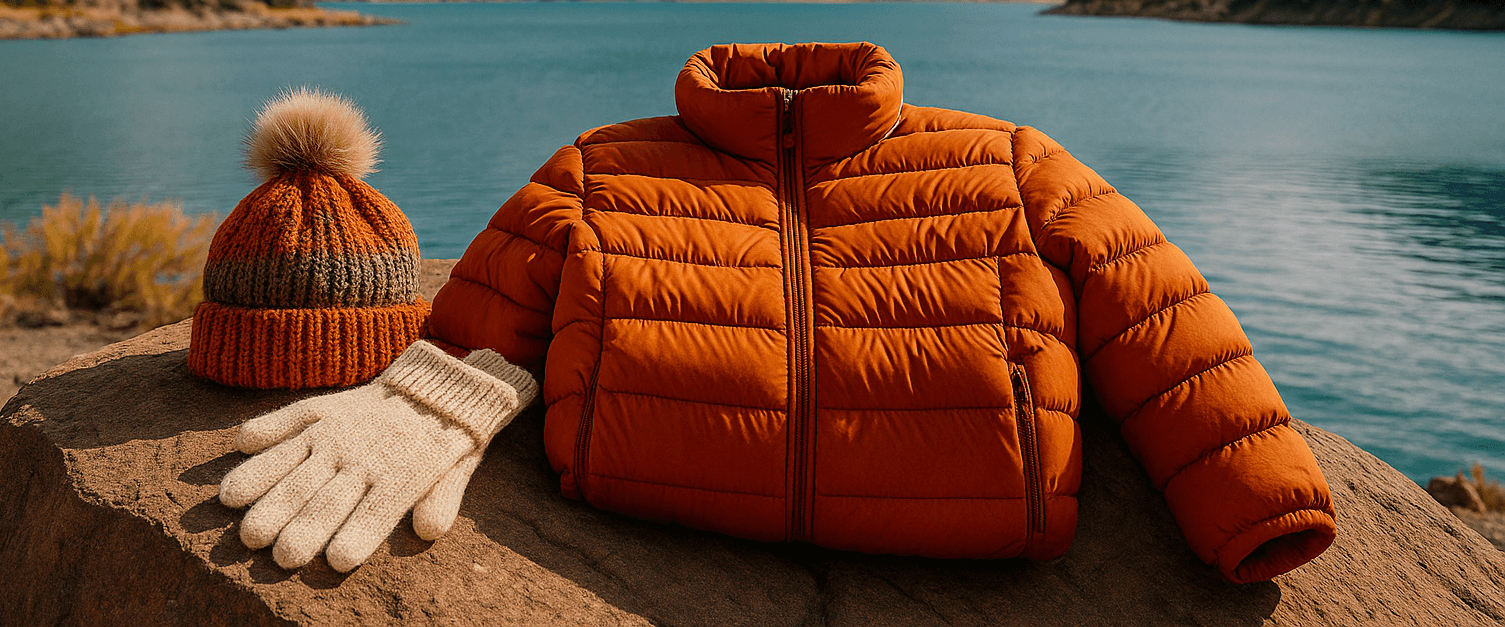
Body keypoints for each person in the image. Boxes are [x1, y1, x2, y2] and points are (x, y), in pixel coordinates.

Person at [216, 41, 1337, 581]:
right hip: (637, 490)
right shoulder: (607, 167)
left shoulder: (1006, 162)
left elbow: (1161, 317)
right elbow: (487, 307)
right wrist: (427, 400)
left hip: (991, 518)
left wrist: (1253, 505)